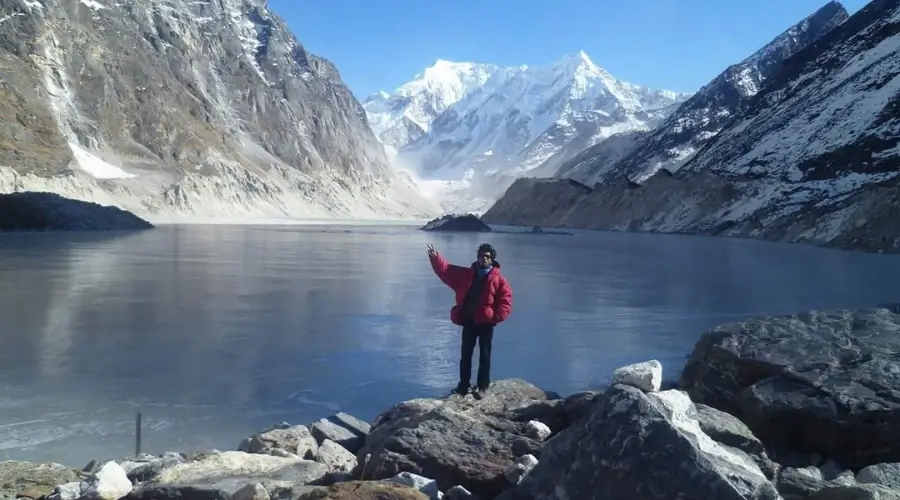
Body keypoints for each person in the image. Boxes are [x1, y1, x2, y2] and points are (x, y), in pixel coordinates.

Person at [427, 242, 513, 399]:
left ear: (492, 259)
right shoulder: (466, 275)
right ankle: (463, 385)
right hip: (469, 321)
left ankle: (483, 386)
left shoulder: (500, 281)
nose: (483, 259)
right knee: (465, 355)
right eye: (481, 255)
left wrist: (493, 317)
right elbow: (446, 271)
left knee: (484, 355)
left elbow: (505, 302)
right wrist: (435, 257)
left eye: (487, 256)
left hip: (486, 324)